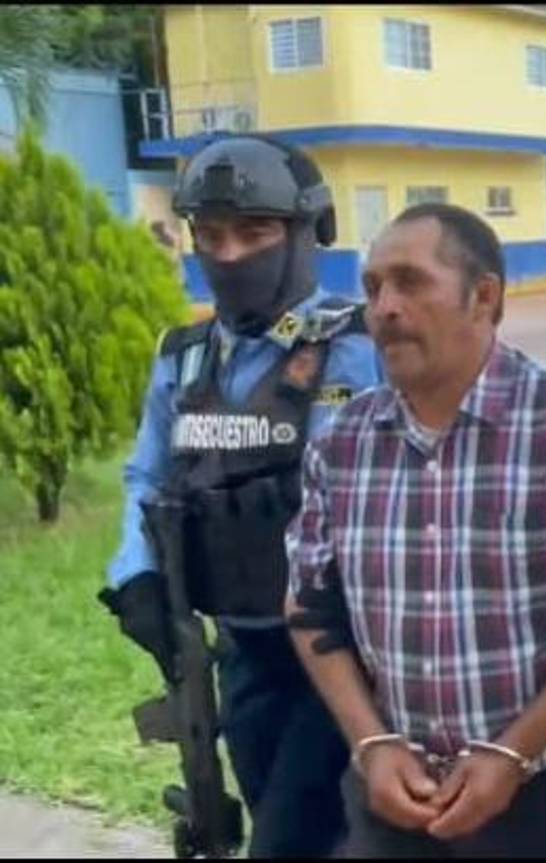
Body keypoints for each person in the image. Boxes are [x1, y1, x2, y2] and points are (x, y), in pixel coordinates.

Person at [283, 202, 546, 857]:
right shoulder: (342, 443)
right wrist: (371, 743)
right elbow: (306, 598)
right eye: (374, 287)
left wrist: (514, 750)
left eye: (410, 281)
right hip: (395, 801)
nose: (384, 307)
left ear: (484, 296)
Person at [98, 134, 384, 857]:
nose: (228, 255)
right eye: (211, 235)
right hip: (242, 648)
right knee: (272, 817)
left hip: (348, 654)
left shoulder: (361, 346)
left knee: (292, 840)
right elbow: (150, 479)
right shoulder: (184, 359)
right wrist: (135, 576)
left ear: (305, 233)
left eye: (254, 233)